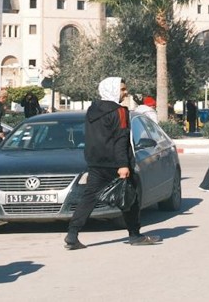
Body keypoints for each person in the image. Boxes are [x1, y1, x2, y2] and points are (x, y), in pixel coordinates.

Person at [65, 77, 158, 249]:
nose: (125, 92)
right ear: (113, 91)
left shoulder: (92, 110)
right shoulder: (119, 112)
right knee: (131, 198)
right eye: (122, 89)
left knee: (88, 199)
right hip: (116, 164)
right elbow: (120, 139)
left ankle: (72, 235)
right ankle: (135, 235)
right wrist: (123, 165)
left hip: (96, 163)